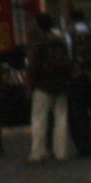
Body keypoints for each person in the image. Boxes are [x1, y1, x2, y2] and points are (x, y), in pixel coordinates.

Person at [24, 17, 73, 161]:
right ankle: (61, 151)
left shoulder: (39, 43)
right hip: (61, 84)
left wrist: (29, 85)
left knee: (39, 119)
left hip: (43, 85)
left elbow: (33, 66)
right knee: (61, 118)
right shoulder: (60, 40)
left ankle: (38, 152)